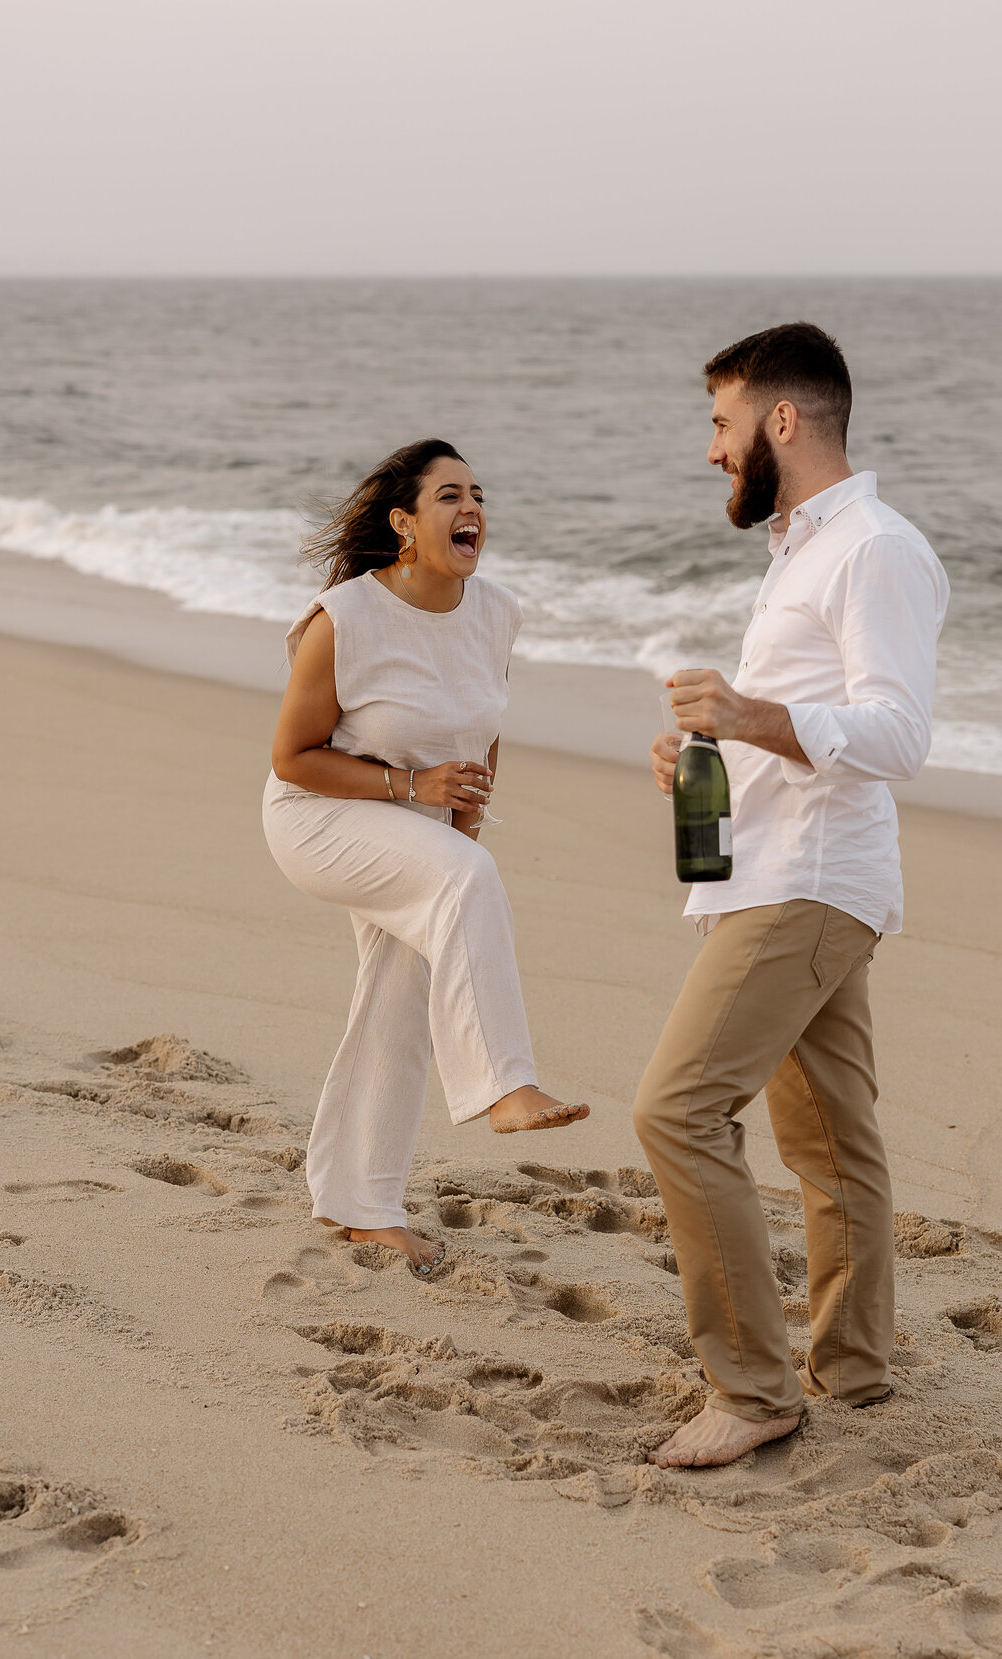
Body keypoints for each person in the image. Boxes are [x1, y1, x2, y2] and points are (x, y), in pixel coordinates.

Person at [635, 323, 949, 1467]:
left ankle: (755, 1387)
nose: (710, 448)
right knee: (829, 1137)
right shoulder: (802, 553)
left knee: (676, 1110)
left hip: (810, 884)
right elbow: (810, 722)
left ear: (782, 421)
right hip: (782, 868)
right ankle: (853, 1368)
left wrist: (750, 716)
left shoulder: (874, 549)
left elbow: (900, 733)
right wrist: (706, 750)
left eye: (722, 422)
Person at [263, 438, 589, 1274]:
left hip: (419, 823)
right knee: (465, 884)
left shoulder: (496, 613)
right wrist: (416, 792)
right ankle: (505, 1085)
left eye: (478, 492)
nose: (471, 506)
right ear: (405, 523)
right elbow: (292, 757)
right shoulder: (347, 617)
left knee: (400, 990)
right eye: (449, 495)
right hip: (321, 817)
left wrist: (456, 825)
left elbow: (482, 738)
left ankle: (359, 1203)